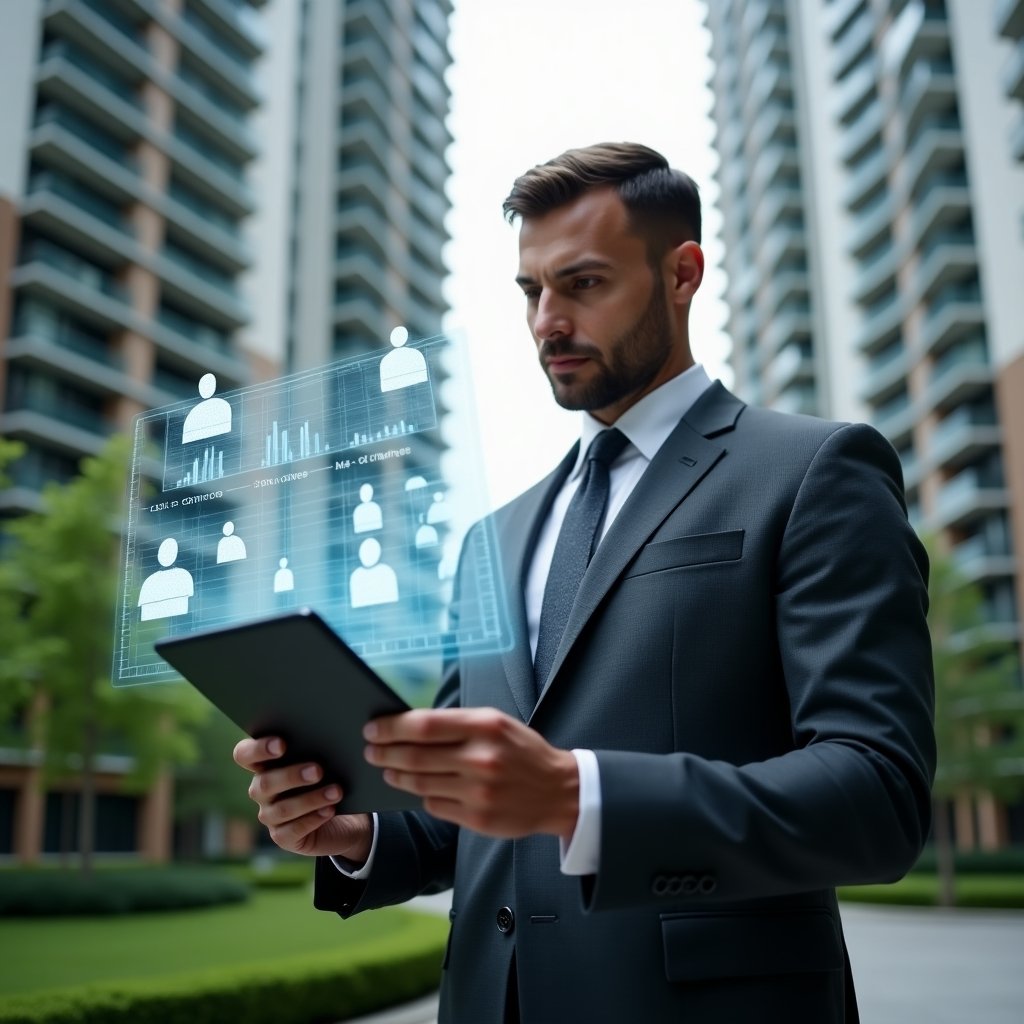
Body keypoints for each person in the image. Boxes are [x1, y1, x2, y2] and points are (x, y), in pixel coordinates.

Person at [234, 142, 935, 1023]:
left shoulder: (814, 472)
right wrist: (359, 833)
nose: (547, 322)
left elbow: (877, 795)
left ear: (682, 274)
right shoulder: (493, 539)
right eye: (531, 291)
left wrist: (580, 797)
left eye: (584, 284)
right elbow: (469, 814)